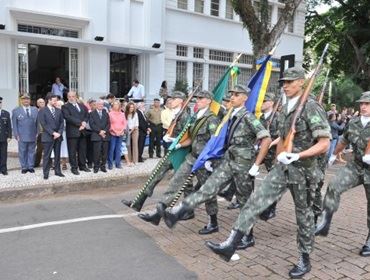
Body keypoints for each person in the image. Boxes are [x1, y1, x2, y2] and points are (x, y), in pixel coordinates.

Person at [199, 67, 331, 279]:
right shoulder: (287, 108)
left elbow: (324, 143)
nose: (285, 85)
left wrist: (299, 155)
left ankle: (304, 258)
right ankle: (232, 243)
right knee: (254, 202)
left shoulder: (311, 107)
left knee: (304, 216)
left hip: (304, 172)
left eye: (289, 82)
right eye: (283, 82)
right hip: (282, 168)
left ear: (301, 83)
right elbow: (284, 135)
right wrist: (276, 148)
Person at [163, 86, 271, 248]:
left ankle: (248, 237)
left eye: (236, 95)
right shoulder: (231, 116)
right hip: (229, 162)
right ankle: (180, 212)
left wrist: (256, 164)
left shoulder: (247, 117)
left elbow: (266, 139)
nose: (232, 97)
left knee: (244, 201)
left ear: (245, 98)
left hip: (243, 166)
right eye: (231, 95)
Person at [138, 90, 220, 232]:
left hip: (204, 160)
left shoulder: (212, 119)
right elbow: (190, 138)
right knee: (176, 181)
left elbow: (215, 142)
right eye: (197, 98)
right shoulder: (195, 117)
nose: (198, 100)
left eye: (201, 98)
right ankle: (158, 213)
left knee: (208, 192)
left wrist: (210, 160)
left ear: (208, 101)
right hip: (192, 156)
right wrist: (179, 144)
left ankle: (213, 222)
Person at [315, 91, 370, 257]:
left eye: (367, 104)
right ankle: (325, 219)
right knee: (334, 185)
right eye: (361, 104)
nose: (363, 107)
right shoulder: (354, 121)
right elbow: (344, 140)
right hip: (356, 166)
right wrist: (333, 155)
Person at [122, 91, 190, 211]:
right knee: (155, 174)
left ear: (180, 101)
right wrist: (168, 136)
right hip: (172, 150)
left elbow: (188, 136)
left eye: (174, 99)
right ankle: (139, 202)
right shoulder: (177, 114)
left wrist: (174, 140)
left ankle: (188, 209)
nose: (171, 101)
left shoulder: (185, 116)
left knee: (184, 182)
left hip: (180, 152)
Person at [258, 92, 280, 221]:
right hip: (261, 152)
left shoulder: (277, 117)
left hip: (273, 154)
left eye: (264, 101)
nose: (262, 103)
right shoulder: (260, 118)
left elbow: (282, 136)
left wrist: (270, 143)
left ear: (271, 103)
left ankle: (271, 208)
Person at [62, 91, 90, 175]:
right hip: (72, 132)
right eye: (69, 96)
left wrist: (84, 122)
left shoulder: (82, 106)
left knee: (82, 150)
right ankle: (74, 168)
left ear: (76, 97)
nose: (71, 98)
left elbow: (87, 115)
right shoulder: (65, 107)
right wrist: (80, 123)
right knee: (72, 151)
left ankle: (82, 166)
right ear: (67, 97)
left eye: (73, 96)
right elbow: (68, 117)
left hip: (82, 131)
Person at [38, 94, 65, 180]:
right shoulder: (42, 111)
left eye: (56, 100)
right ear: (49, 100)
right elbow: (44, 124)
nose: (56, 102)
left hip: (58, 137)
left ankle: (58, 171)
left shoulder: (58, 110)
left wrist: (59, 133)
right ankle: (46, 173)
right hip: (48, 136)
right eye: (54, 100)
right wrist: (53, 133)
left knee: (57, 155)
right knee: (47, 156)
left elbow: (61, 123)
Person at [12, 93, 38, 174]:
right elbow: (14, 124)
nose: (26, 100)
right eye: (24, 99)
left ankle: (30, 166)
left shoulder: (35, 109)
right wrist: (16, 134)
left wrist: (37, 132)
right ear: (21, 100)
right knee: (22, 151)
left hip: (32, 134)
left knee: (32, 151)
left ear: (30, 100)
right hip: (21, 135)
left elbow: (37, 122)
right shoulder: (16, 111)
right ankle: (24, 167)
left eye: (27, 99)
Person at [89, 99, 111, 173]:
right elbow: (92, 124)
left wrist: (104, 131)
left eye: (102, 104)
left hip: (105, 135)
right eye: (99, 104)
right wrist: (100, 131)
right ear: (96, 105)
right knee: (96, 153)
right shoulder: (92, 113)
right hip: (96, 136)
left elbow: (109, 124)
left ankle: (103, 166)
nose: (101, 106)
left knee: (105, 153)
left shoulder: (106, 113)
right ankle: (96, 167)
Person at [108, 100, 127, 169]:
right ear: (113, 105)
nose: (116, 106)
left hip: (121, 134)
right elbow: (109, 124)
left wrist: (122, 131)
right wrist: (114, 131)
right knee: (111, 149)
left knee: (118, 149)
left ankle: (118, 164)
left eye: (118, 104)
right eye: (115, 104)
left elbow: (124, 123)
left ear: (119, 106)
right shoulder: (110, 114)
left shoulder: (122, 114)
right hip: (113, 133)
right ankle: (110, 164)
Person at [51, 100, 68, 170]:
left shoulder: (65, 114)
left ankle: (64, 163)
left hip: (63, 133)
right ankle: (55, 163)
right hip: (54, 134)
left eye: (60, 105)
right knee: (55, 148)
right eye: (57, 105)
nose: (59, 107)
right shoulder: (53, 113)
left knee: (63, 148)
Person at [0, 97, 11, 175]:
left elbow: (9, 126)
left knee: (4, 154)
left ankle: (3, 169)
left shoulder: (6, 113)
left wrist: (9, 136)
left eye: (0, 102)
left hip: (3, 137)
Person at [34, 98, 45, 168]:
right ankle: (36, 163)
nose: (42, 103)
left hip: (48, 132)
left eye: (43, 102)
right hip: (40, 133)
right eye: (40, 102)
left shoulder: (47, 110)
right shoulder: (35, 112)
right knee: (39, 149)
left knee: (48, 149)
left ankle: (47, 163)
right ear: (37, 104)